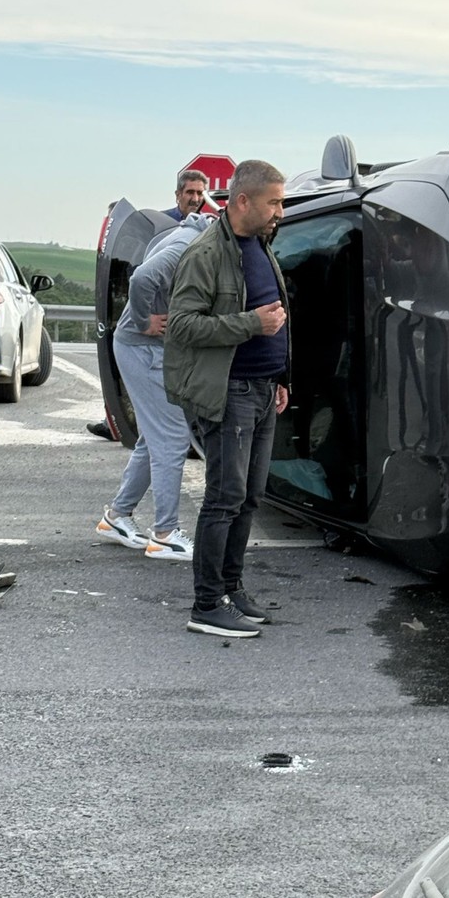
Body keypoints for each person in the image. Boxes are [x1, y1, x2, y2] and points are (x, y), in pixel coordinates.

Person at [165, 159, 288, 639]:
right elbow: (181, 326)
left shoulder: (258, 243)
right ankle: (206, 603)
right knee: (225, 497)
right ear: (242, 202)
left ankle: (231, 589)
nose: (279, 211)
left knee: (250, 495)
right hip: (229, 391)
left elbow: (275, 308)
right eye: (273, 202)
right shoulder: (206, 252)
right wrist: (251, 325)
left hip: (262, 389)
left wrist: (281, 375)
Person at [95, 212, 218, 560]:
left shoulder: (190, 234)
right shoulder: (187, 244)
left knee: (155, 439)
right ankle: (165, 533)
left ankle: (117, 517)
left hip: (140, 347)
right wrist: (144, 320)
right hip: (143, 348)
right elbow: (142, 278)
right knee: (172, 438)